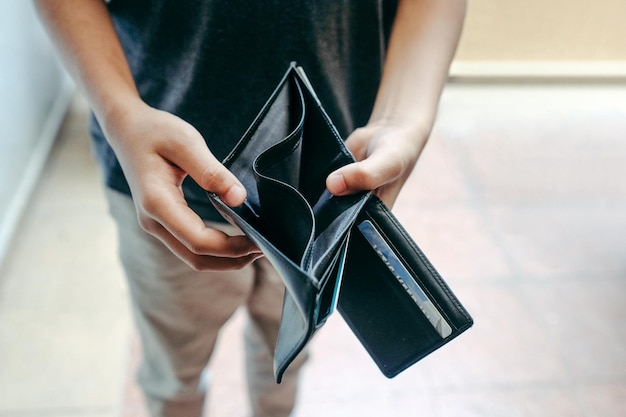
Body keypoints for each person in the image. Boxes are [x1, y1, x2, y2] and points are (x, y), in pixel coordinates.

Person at [34, 0, 466, 416]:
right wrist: (120, 114)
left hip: (325, 191)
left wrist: (401, 120)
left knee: (287, 355)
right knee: (174, 373)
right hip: (165, 180)